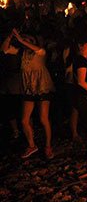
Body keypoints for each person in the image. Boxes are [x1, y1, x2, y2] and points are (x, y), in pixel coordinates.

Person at [2, 29, 55, 159]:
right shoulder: (21, 53)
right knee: (24, 120)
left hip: (42, 87)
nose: (26, 42)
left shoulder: (41, 52)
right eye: (25, 40)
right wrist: (10, 36)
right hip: (29, 89)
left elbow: (37, 49)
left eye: (29, 40)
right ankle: (32, 145)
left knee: (43, 118)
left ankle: (48, 146)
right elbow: (4, 50)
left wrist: (21, 40)